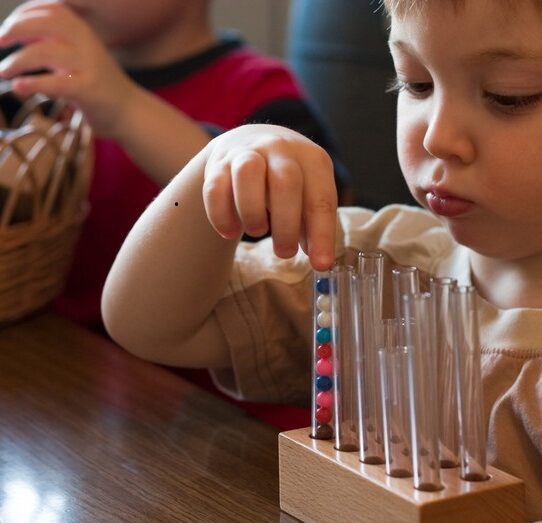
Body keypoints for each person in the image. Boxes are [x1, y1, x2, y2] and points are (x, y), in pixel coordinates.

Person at [101, 0, 542, 523]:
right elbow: (146, 326)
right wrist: (223, 157)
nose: (437, 136)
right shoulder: (374, 269)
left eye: (509, 96)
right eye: (416, 83)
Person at [0, 0, 350, 330]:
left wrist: (123, 107)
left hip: (192, 377)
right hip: (58, 351)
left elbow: (317, 226)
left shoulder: (259, 91)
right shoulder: (48, 77)